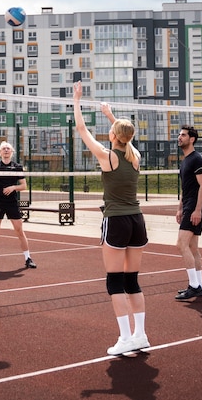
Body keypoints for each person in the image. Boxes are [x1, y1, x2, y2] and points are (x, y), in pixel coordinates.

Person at [73, 81, 149, 356]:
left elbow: (82, 130)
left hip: (116, 221)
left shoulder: (109, 157)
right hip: (137, 222)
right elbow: (127, 137)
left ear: (113, 136)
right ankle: (140, 335)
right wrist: (111, 115)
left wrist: (77, 99)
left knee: (115, 282)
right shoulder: (135, 156)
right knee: (132, 281)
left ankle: (126, 338)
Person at [0, 141, 36, 269]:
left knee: (19, 230)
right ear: (0, 152)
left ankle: (28, 258)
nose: (6, 150)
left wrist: (13, 187)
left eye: (8, 148)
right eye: (3, 149)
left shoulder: (17, 167)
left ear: (12, 152)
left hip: (11, 202)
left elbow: (24, 186)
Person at [175, 125, 202, 299]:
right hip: (187, 205)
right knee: (193, 247)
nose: (179, 137)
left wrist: (197, 210)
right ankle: (200, 285)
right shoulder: (185, 160)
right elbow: (185, 188)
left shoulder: (197, 159)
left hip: (194, 207)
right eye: (179, 135)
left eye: (183, 135)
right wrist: (180, 208)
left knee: (181, 244)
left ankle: (194, 285)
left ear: (192, 139)